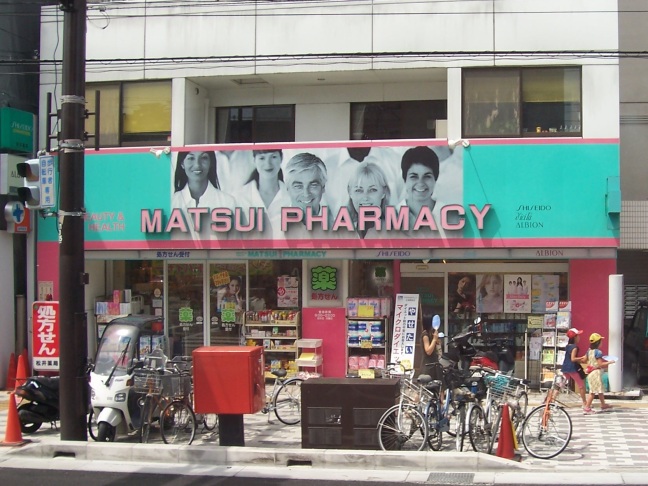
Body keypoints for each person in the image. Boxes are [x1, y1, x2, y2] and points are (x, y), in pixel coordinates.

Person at [171, 150, 237, 240]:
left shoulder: (228, 202)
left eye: (204, 158)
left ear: (211, 163)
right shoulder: (172, 202)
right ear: (182, 164)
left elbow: (234, 245)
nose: (197, 165)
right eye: (191, 158)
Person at [239, 149, 291, 239]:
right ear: (254, 160)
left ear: (281, 158)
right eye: (262, 158)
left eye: (273, 157)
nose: (268, 164)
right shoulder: (239, 197)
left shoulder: (292, 197)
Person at [284, 152, 333, 238]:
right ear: (287, 188)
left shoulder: (343, 229)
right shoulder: (272, 227)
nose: (306, 194)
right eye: (298, 186)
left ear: (323, 187)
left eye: (313, 185)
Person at [398, 146, 442, 237]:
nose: (420, 183)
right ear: (405, 179)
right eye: (414, 176)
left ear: (435, 178)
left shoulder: (451, 216)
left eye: (427, 176)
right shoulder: (390, 216)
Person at [347, 161, 392, 239]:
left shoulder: (396, 230)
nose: (365, 197)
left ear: (384, 192)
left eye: (372, 190)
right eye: (358, 190)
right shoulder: (339, 230)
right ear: (350, 193)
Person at [584, 332, 615, 414]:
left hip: (590, 373)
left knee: (600, 390)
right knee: (593, 392)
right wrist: (610, 362)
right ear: (598, 342)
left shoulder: (589, 351)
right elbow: (600, 364)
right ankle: (587, 407)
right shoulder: (598, 352)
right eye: (601, 341)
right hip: (596, 373)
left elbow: (585, 360)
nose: (602, 342)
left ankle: (603, 404)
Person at [561, 328, 588, 410]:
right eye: (578, 336)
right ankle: (584, 403)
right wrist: (582, 358)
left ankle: (551, 398)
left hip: (565, 367)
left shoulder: (568, 346)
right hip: (572, 368)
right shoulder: (575, 347)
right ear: (575, 337)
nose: (579, 337)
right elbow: (573, 359)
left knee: (561, 384)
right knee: (581, 385)